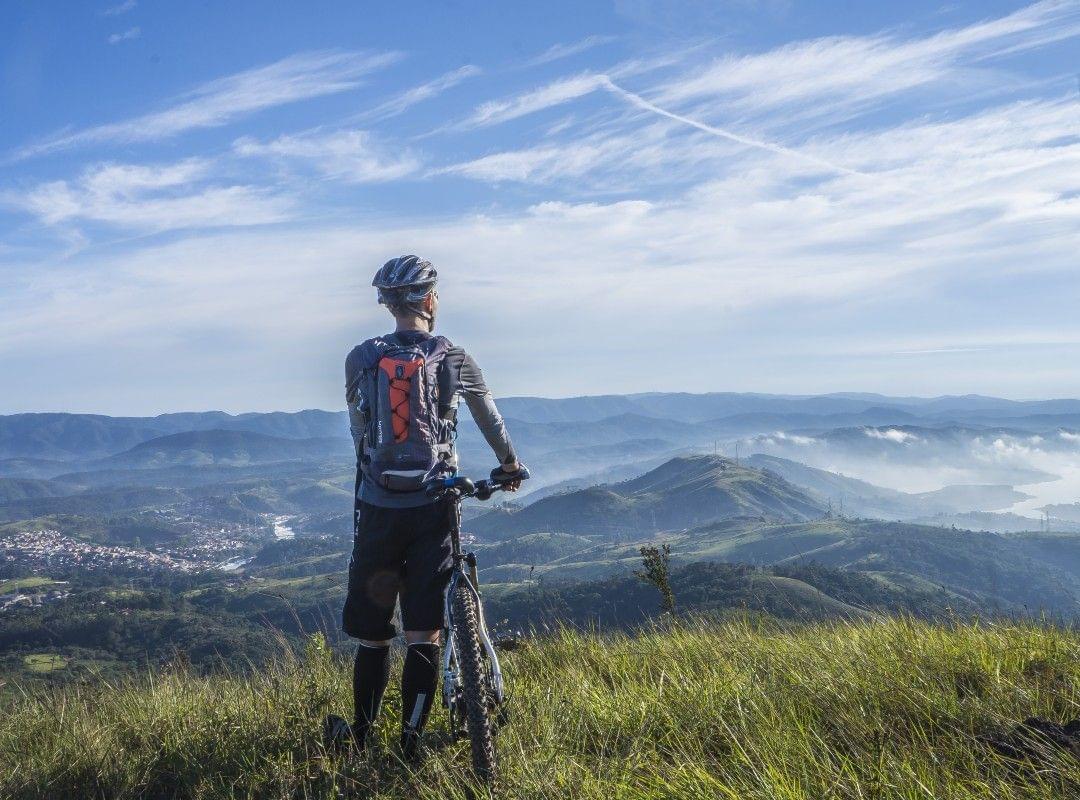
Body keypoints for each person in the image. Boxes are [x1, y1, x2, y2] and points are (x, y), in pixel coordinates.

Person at [330, 254, 523, 761]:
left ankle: (361, 737)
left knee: (373, 638)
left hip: (377, 506)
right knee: (424, 631)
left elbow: (358, 432)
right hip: (435, 505)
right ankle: (411, 742)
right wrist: (508, 466)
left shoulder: (360, 359)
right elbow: (490, 420)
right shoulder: (454, 357)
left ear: (387, 304)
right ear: (430, 300)